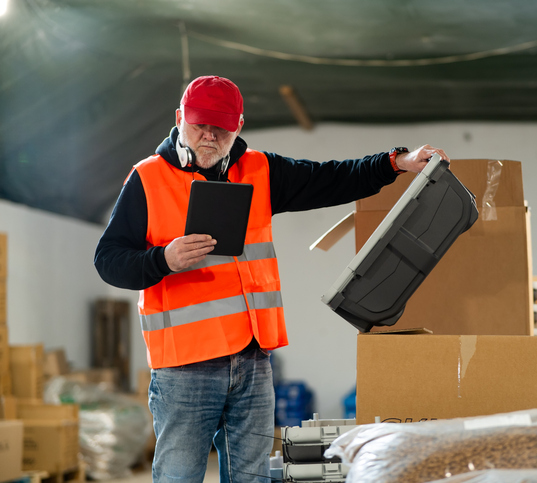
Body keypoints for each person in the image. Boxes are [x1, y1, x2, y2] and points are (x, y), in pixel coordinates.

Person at [94, 75, 449, 483]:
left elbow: (332, 177)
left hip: (254, 362)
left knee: (252, 477)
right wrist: (163, 259)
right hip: (184, 369)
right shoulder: (148, 179)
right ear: (179, 118)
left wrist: (396, 162)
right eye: (199, 125)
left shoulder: (260, 170)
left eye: (221, 128)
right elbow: (108, 260)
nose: (209, 136)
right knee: (178, 476)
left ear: (239, 126)